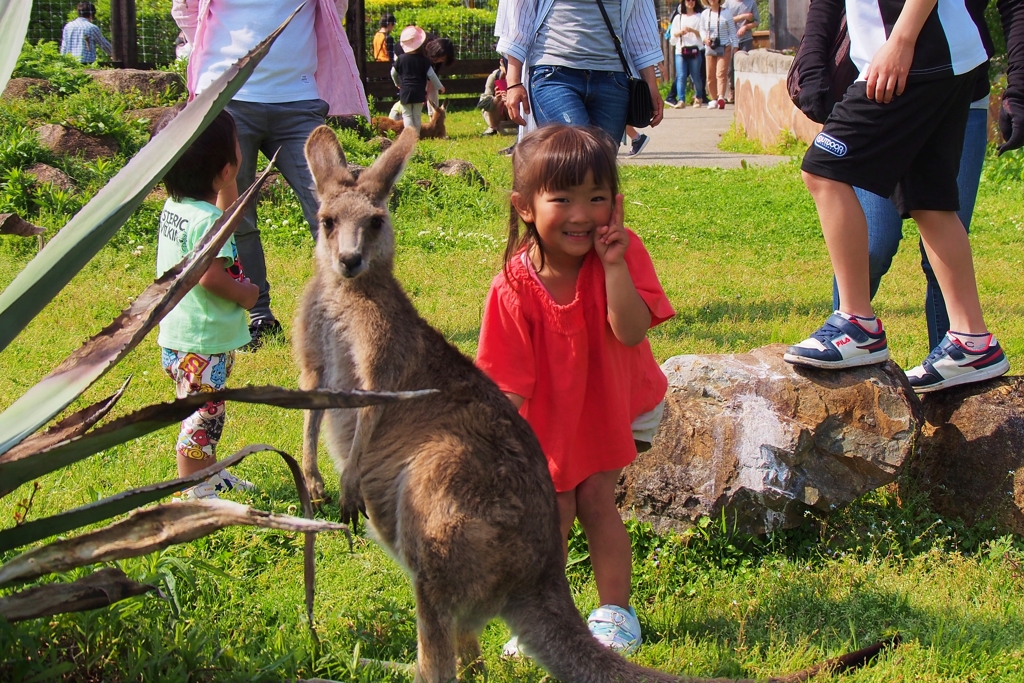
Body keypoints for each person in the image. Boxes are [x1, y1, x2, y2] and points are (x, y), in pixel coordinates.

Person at [476, 125, 675, 656]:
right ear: (524, 206)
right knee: (552, 509)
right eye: (561, 199)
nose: (582, 214)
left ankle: (616, 612)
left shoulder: (623, 254)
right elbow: (508, 383)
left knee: (592, 497)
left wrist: (613, 267)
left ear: (616, 202)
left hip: (618, 403)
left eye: (597, 198)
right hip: (551, 418)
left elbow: (630, 331)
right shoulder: (513, 286)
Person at [785, 0, 1010, 393]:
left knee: (824, 168)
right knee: (930, 200)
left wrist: (902, 40)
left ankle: (858, 323)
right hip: (947, 53)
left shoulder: (907, 45)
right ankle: (972, 340)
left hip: (915, 52)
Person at [172, 0, 368, 350]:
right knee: (236, 216)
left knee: (333, 208)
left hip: (298, 97)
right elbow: (186, 9)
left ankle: (347, 312)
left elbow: (335, 7)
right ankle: (258, 314)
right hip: (228, 94)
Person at [154, 108, 259, 501]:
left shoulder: (178, 209)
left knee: (208, 412)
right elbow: (210, 276)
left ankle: (209, 475)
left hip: (182, 336)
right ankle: (195, 491)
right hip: (201, 342)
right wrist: (247, 294)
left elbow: (226, 216)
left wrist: (229, 183)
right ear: (228, 167)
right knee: (202, 416)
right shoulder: (204, 222)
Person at [495, 0, 665, 143]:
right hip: (553, 74)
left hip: (612, 78)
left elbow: (640, 23)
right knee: (578, 151)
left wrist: (650, 83)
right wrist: (513, 82)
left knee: (600, 171)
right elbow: (517, 15)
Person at [391, 26, 445, 134]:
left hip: (405, 91)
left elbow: (393, 73)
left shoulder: (401, 59)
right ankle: (416, 135)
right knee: (416, 115)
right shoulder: (424, 61)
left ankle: (409, 135)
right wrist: (440, 87)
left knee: (407, 115)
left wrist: (397, 83)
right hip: (419, 92)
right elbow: (432, 75)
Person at [700, 0, 737, 110]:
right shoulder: (705, 14)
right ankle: (714, 98)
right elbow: (701, 30)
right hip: (710, 47)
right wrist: (704, 39)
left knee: (721, 72)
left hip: (724, 46)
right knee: (710, 75)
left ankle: (721, 97)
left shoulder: (727, 13)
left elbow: (732, 31)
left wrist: (735, 46)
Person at [670, 0, 706, 107]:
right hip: (681, 50)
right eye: (688, 0)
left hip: (695, 50)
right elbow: (672, 36)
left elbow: (703, 34)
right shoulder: (678, 18)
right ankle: (681, 100)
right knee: (681, 76)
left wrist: (692, 30)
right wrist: (680, 32)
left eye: (693, 0)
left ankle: (699, 97)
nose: (690, 2)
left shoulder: (700, 17)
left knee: (696, 76)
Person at [724, 0, 758, 102]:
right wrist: (743, 17)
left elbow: (756, 21)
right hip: (730, 40)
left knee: (745, 66)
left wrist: (746, 26)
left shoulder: (751, 3)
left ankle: (745, 92)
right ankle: (732, 90)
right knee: (730, 68)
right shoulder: (727, 3)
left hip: (746, 39)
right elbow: (724, 21)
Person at [479, 57, 510, 135]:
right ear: (501, 61)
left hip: (514, 111)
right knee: (495, 102)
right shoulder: (494, 76)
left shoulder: (521, 75)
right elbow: (482, 103)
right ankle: (493, 128)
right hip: (497, 116)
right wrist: (496, 99)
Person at [424, 36, 455, 111]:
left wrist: (427, 95)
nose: (440, 60)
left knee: (433, 85)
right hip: (412, 69)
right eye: (440, 57)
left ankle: (434, 115)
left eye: (443, 59)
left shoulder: (438, 60)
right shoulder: (423, 47)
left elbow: (432, 77)